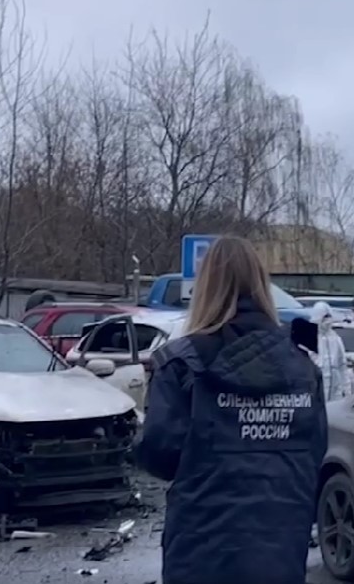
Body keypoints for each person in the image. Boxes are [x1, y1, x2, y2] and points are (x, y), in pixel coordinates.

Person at [134, 235, 328, 584]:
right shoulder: (303, 368)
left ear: (205, 287)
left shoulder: (181, 364)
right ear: (261, 285)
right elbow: (315, 452)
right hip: (280, 550)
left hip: (202, 552)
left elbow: (160, 456)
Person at [310, 301, 350, 401]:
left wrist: (347, 388)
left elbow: (342, 365)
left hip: (335, 388)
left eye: (329, 317)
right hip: (316, 387)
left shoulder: (335, 338)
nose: (327, 321)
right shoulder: (309, 337)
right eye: (324, 318)